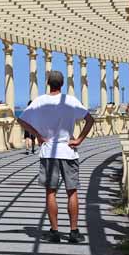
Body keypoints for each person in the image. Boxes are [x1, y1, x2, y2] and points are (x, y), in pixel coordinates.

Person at [17, 70, 95, 244]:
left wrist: (38, 135)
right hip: (68, 151)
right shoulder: (70, 100)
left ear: (48, 83)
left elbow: (21, 120)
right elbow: (90, 120)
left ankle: (54, 231)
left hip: (48, 151)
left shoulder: (39, 101)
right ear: (62, 85)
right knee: (72, 191)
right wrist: (79, 140)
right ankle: (74, 232)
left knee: (51, 192)